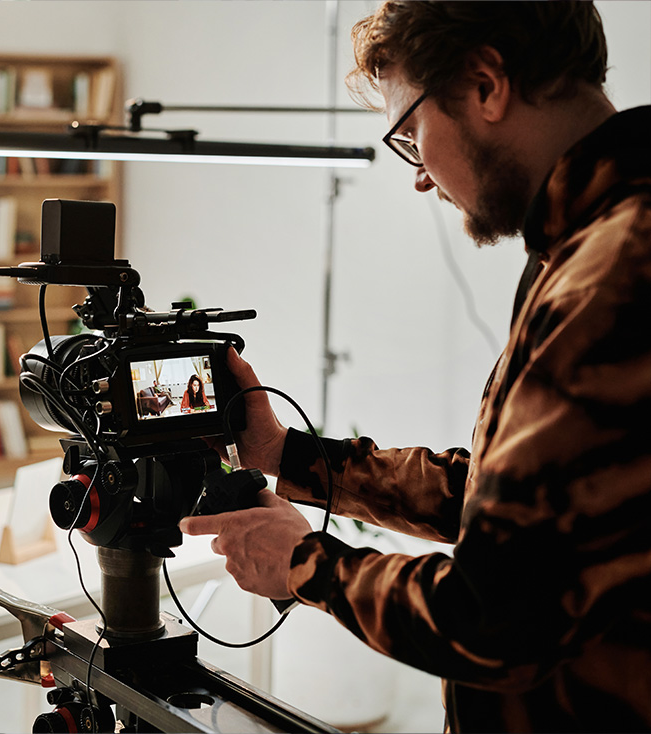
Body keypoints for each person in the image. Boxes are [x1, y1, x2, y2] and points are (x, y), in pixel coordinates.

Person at [180, 3, 651, 731]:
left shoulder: (615, 269)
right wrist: (286, 454)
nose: (421, 178)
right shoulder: (581, 245)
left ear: (486, 84)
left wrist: (305, 564)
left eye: (410, 135)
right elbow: (509, 508)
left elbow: (496, 619)